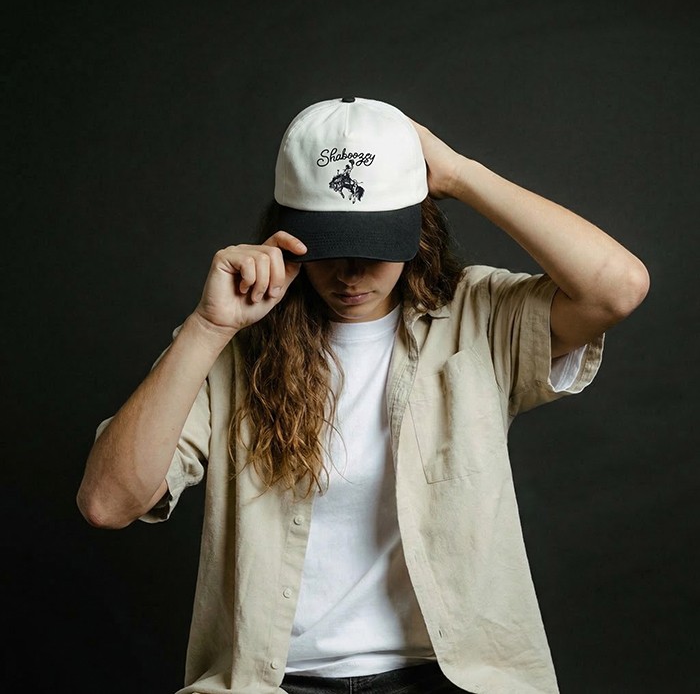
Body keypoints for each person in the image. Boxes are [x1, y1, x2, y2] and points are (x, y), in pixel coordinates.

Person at [77, 97, 649, 694]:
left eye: (375, 245)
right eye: (327, 246)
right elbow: (107, 503)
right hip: (276, 682)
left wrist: (460, 175)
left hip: (447, 680)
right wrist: (207, 327)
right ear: (286, 233)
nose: (350, 273)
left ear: (419, 229)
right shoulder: (232, 346)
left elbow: (618, 287)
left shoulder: (476, 317)